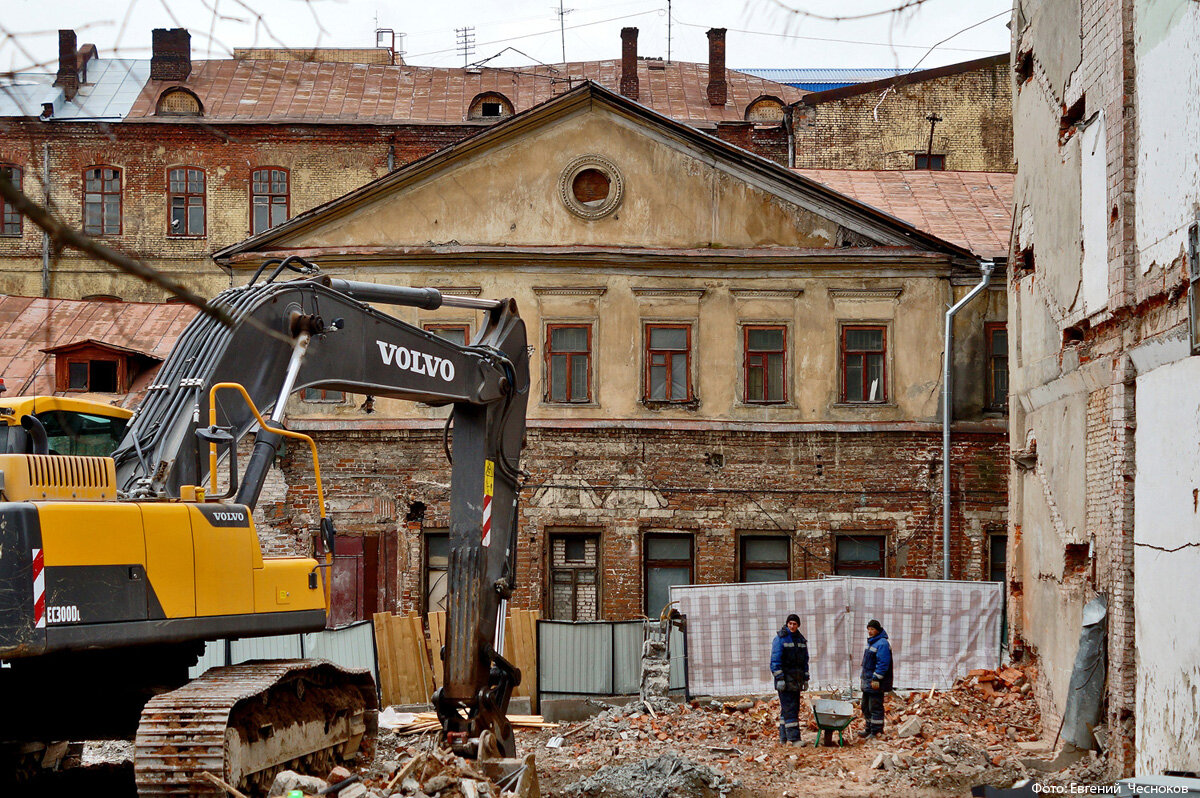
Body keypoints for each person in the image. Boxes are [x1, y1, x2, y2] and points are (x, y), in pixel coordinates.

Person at [770, 613, 810, 745]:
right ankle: (794, 739)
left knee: (788, 709)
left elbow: (805, 660)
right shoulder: (780, 639)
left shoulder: (800, 640)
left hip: (796, 680)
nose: (792, 626)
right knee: (791, 708)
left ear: (798, 625)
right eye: (790, 624)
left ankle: (783, 737)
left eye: (794, 624)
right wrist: (780, 678)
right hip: (786, 680)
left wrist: (805, 678)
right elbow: (775, 661)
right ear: (787, 624)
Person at [858, 619, 893, 739]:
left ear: (878, 630)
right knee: (865, 706)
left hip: (875, 682)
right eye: (868, 629)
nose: (870, 631)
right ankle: (869, 728)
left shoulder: (882, 643)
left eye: (872, 629)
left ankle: (876, 731)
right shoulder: (872, 642)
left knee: (875, 706)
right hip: (868, 681)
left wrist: (876, 678)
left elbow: (883, 663)